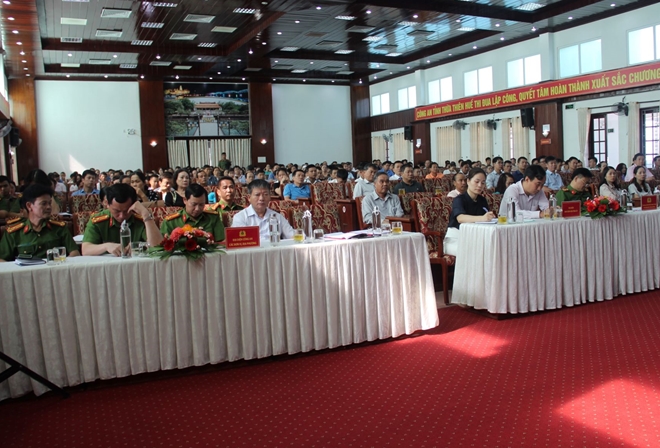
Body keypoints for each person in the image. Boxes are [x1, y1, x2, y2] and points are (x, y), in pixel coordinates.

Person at [0, 184, 80, 261]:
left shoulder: (59, 228)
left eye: (49, 203)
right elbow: (1, 259)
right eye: (43, 203)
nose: (49, 207)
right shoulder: (14, 233)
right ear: (29, 206)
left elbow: (75, 253)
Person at [82, 183, 163, 256]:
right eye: (117, 211)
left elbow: (159, 247)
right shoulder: (98, 220)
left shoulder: (141, 218)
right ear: (107, 204)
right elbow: (85, 250)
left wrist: (145, 215)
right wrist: (106, 246)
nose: (122, 216)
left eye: (126, 211)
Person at [444, 168, 495, 256]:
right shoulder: (459, 199)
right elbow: (460, 218)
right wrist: (483, 218)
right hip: (455, 239)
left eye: (483, 183)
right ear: (468, 181)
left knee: (491, 249)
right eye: (476, 182)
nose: (480, 185)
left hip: (474, 239)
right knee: (473, 252)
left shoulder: (482, 200)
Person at [231, 179, 294, 244]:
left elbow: (291, 235)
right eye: (257, 195)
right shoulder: (240, 218)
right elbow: (240, 242)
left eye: (265, 194)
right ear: (249, 198)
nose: (261, 198)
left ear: (270, 197)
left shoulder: (277, 216)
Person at [160, 184, 225, 242]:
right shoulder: (170, 222)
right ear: (185, 200)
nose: (197, 209)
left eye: (201, 205)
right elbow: (163, 246)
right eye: (194, 204)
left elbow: (221, 243)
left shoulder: (213, 218)